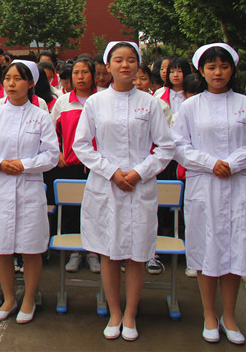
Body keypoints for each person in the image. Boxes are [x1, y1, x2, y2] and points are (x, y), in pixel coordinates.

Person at [73, 41, 174, 342]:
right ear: (108, 66)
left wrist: (139, 172)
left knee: (137, 253)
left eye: (131, 60)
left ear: (138, 65)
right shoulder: (95, 102)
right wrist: (111, 171)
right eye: (118, 60)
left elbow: (165, 147)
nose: (125, 65)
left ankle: (130, 313)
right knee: (109, 251)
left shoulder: (150, 103)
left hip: (140, 185)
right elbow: (81, 145)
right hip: (106, 185)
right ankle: (114, 312)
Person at [173, 43, 246, 345]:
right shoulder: (190, 107)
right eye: (212, 67)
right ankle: (209, 315)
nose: (218, 72)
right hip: (205, 185)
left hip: (238, 186)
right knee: (207, 250)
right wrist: (210, 163)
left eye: (224, 67)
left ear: (232, 70)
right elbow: (179, 146)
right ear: (201, 71)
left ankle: (229, 316)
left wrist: (232, 163)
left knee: (235, 250)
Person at [0, 60, 59, 323]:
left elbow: (52, 154)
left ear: (30, 83)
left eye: (18, 79)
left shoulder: (40, 116)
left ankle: (29, 298)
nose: (11, 83)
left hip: (28, 187)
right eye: (7, 78)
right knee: (1, 247)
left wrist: (24, 165)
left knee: (31, 248)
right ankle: (9, 298)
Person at [49, 56, 101, 274]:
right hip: (70, 165)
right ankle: (75, 253)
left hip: (98, 167)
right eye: (76, 73)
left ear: (93, 75)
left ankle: (93, 252)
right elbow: (50, 132)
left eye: (85, 72)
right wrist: (58, 152)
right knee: (72, 210)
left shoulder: (101, 100)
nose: (80, 77)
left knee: (95, 210)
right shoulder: (63, 102)